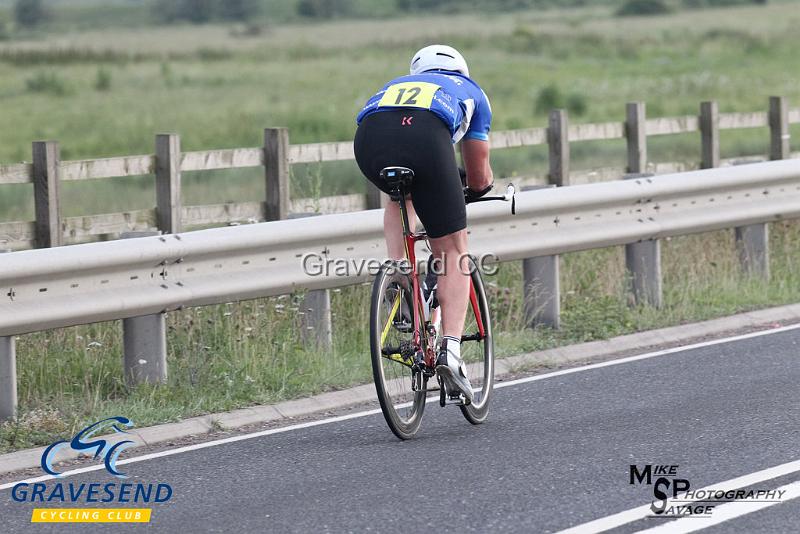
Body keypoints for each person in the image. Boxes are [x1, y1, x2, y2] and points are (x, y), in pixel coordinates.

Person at [353, 44, 494, 403]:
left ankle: (400, 277)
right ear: (461, 70)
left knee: (399, 196)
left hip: (370, 137)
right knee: (454, 252)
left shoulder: (396, 84)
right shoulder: (472, 91)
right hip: (426, 137)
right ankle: (450, 350)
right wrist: (475, 189)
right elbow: (478, 176)